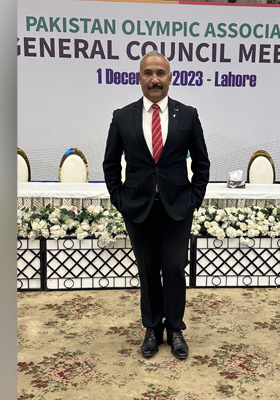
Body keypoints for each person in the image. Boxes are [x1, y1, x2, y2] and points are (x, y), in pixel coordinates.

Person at [102, 51, 210, 360]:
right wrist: (120, 200)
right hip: (139, 208)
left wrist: (194, 200)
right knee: (147, 269)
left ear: (170, 77)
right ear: (139, 78)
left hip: (177, 208)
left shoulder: (187, 115)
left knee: (174, 268)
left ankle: (174, 328)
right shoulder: (122, 116)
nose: (154, 79)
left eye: (160, 73)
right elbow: (110, 164)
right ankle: (152, 328)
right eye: (148, 73)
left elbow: (202, 163)